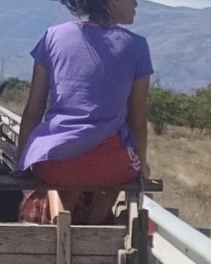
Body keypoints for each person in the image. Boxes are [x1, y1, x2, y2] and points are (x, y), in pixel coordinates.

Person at [17, 0, 153, 224]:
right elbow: (137, 122)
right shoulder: (137, 46)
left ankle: (60, 215)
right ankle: (96, 225)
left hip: (52, 163)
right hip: (109, 166)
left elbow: (33, 111)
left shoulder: (52, 37)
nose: (137, 3)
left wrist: (22, 162)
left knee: (67, 170)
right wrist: (143, 164)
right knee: (120, 168)